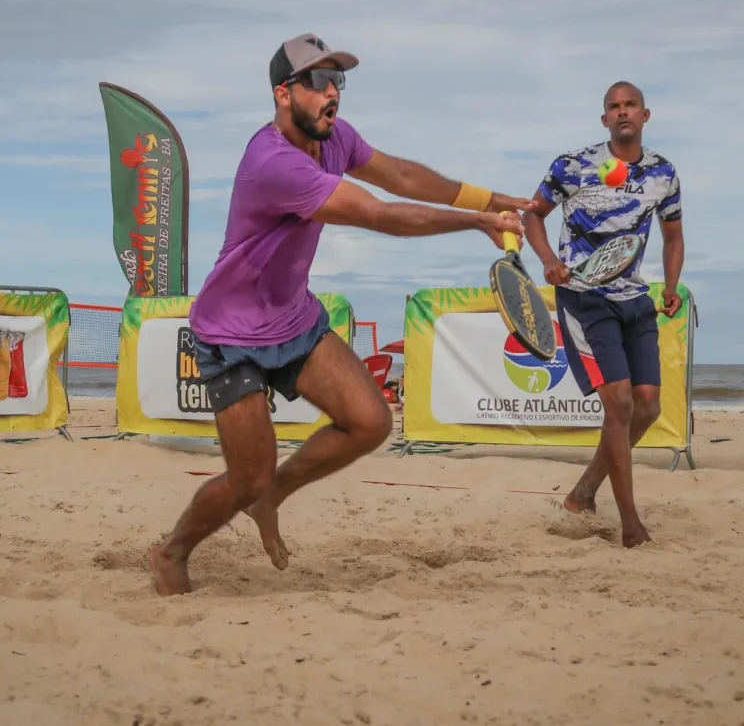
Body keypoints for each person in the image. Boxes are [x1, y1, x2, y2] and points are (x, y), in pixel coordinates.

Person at [148, 32, 537, 595]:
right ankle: (173, 551)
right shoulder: (272, 162)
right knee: (245, 477)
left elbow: (402, 177)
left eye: (339, 81)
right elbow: (379, 214)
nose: (333, 93)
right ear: (284, 93)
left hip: (291, 318)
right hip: (231, 333)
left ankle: (272, 497)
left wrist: (487, 199)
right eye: (318, 82)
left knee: (371, 422)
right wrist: (474, 224)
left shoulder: (333, 137)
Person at [523, 81, 685, 548]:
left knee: (648, 407)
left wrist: (670, 285)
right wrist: (549, 262)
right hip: (583, 297)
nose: (622, 112)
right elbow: (533, 215)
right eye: (614, 107)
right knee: (618, 403)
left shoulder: (663, 173)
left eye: (630, 105)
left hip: (635, 298)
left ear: (645, 114)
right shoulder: (572, 166)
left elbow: (673, 236)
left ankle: (583, 492)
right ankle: (629, 522)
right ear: (604, 119)